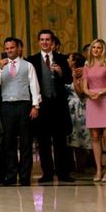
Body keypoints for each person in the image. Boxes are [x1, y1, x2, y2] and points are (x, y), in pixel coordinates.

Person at [0, 37, 41, 186]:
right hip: (7, 106)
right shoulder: (1, 66)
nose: (9, 51)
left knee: (26, 142)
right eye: (7, 48)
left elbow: (34, 86)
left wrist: (35, 105)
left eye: (12, 48)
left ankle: (25, 177)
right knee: (8, 142)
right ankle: (11, 175)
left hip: (24, 105)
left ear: (18, 48)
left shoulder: (28, 65)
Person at [27, 29, 74, 183]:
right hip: (42, 105)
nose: (45, 42)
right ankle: (47, 173)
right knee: (43, 141)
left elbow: (68, 80)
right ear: (38, 42)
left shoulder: (61, 58)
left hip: (58, 105)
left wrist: (61, 72)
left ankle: (63, 173)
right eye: (42, 39)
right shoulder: (32, 60)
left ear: (52, 42)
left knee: (60, 140)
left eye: (48, 39)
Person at [81, 39, 106, 182]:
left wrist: (100, 93)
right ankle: (98, 170)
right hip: (92, 101)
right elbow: (84, 86)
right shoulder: (87, 66)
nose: (96, 50)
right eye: (94, 47)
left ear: (103, 49)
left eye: (99, 47)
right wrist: (88, 93)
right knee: (94, 136)